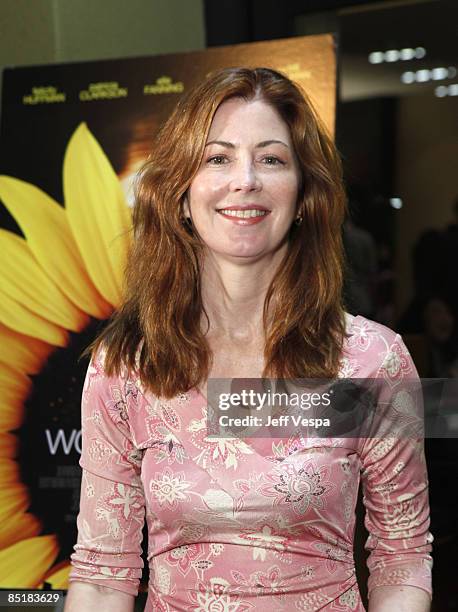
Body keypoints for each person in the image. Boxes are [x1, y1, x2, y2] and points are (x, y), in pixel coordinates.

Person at [65, 67, 433, 611]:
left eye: (272, 159)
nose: (246, 180)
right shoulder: (126, 367)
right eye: (217, 158)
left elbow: (402, 558)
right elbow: (101, 576)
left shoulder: (371, 361)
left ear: (304, 194)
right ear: (180, 196)